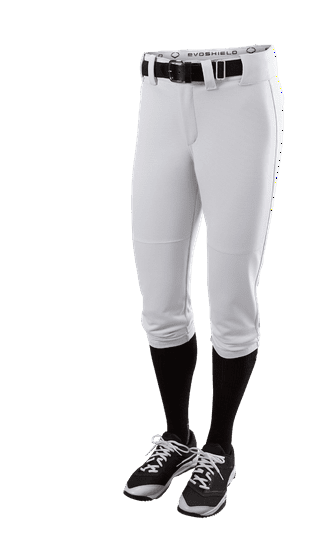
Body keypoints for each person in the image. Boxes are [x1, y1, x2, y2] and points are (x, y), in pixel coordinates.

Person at [122, 44, 284, 518]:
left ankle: (219, 448)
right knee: (159, 301)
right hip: (158, 94)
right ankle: (177, 437)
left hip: (239, 95)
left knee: (231, 296)